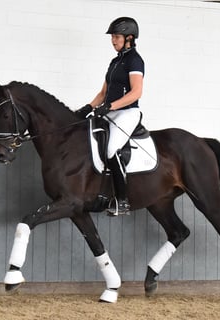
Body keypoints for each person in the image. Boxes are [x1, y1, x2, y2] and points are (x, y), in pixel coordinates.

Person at [75, 17, 144, 215]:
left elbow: (136, 92)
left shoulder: (134, 60)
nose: (113, 40)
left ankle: (122, 201)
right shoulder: (115, 61)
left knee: (112, 148)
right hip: (111, 112)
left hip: (128, 113)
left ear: (129, 37)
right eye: (112, 37)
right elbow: (103, 93)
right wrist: (87, 107)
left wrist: (110, 106)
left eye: (116, 36)